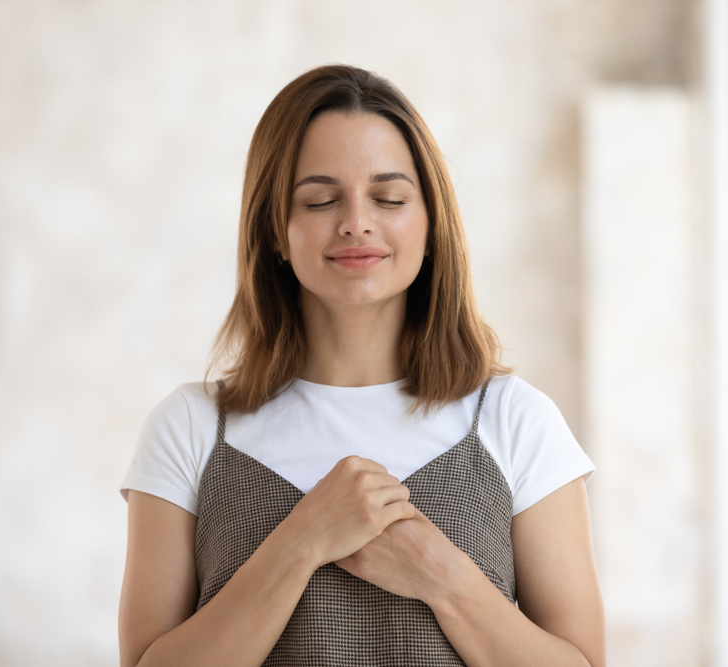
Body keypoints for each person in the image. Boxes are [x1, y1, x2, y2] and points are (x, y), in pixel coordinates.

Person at [118, 64, 605, 667]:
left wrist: (443, 577)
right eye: (321, 199)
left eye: (389, 198)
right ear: (274, 228)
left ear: (431, 226)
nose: (356, 222)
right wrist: (303, 541)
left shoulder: (517, 420)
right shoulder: (189, 428)